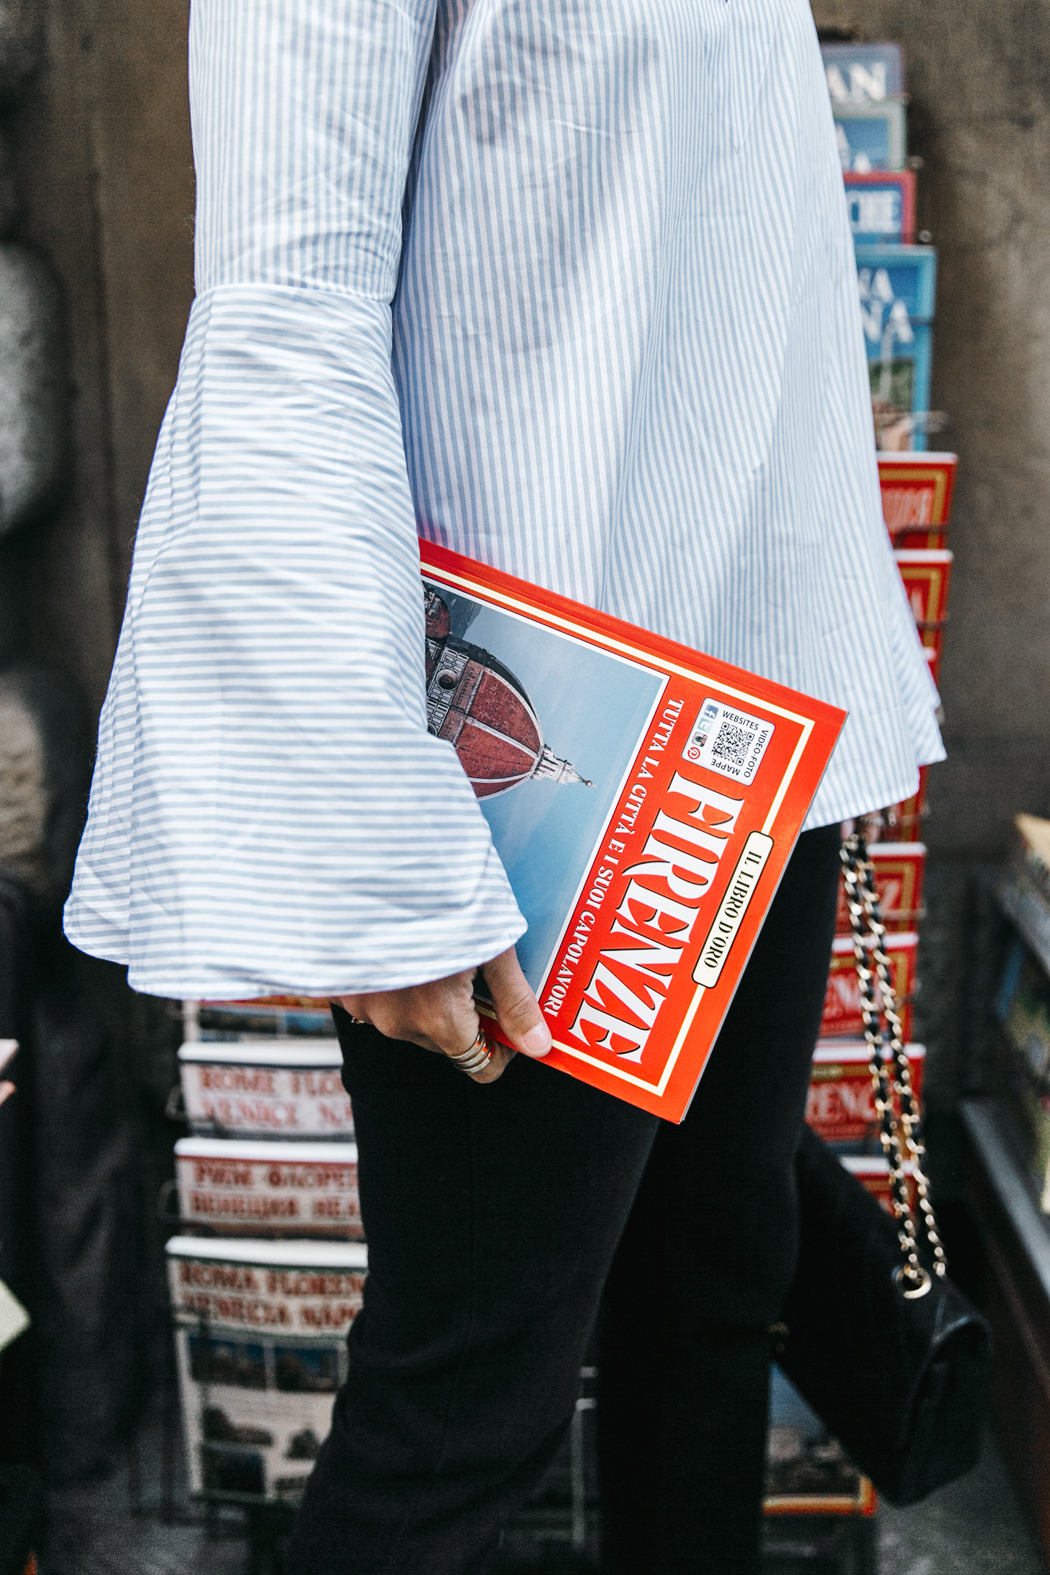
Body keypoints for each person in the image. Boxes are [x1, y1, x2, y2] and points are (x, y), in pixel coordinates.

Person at [64, 0, 943, 1569]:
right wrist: (383, 842)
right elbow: (286, 311)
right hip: (537, 761)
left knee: (716, 1287)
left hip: (755, 712)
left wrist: (845, 669)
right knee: (469, 1401)